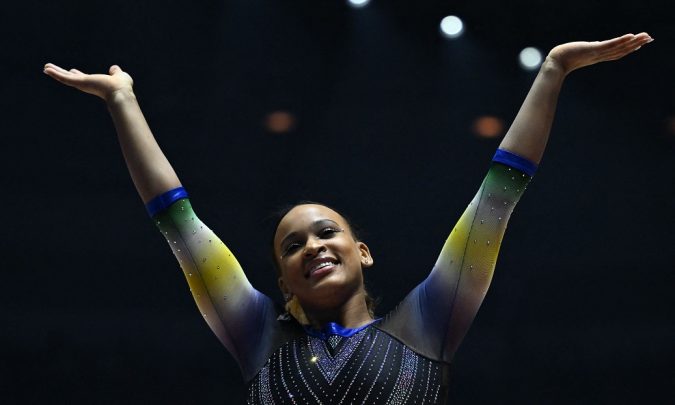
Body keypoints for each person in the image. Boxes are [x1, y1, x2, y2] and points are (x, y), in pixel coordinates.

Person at [44, 32, 652, 404]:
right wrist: (122, 101)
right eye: (292, 246)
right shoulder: (257, 335)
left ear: (364, 251)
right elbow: (178, 223)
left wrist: (551, 72)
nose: (311, 245)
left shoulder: (427, 326)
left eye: (326, 231)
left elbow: (498, 195)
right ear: (282, 282)